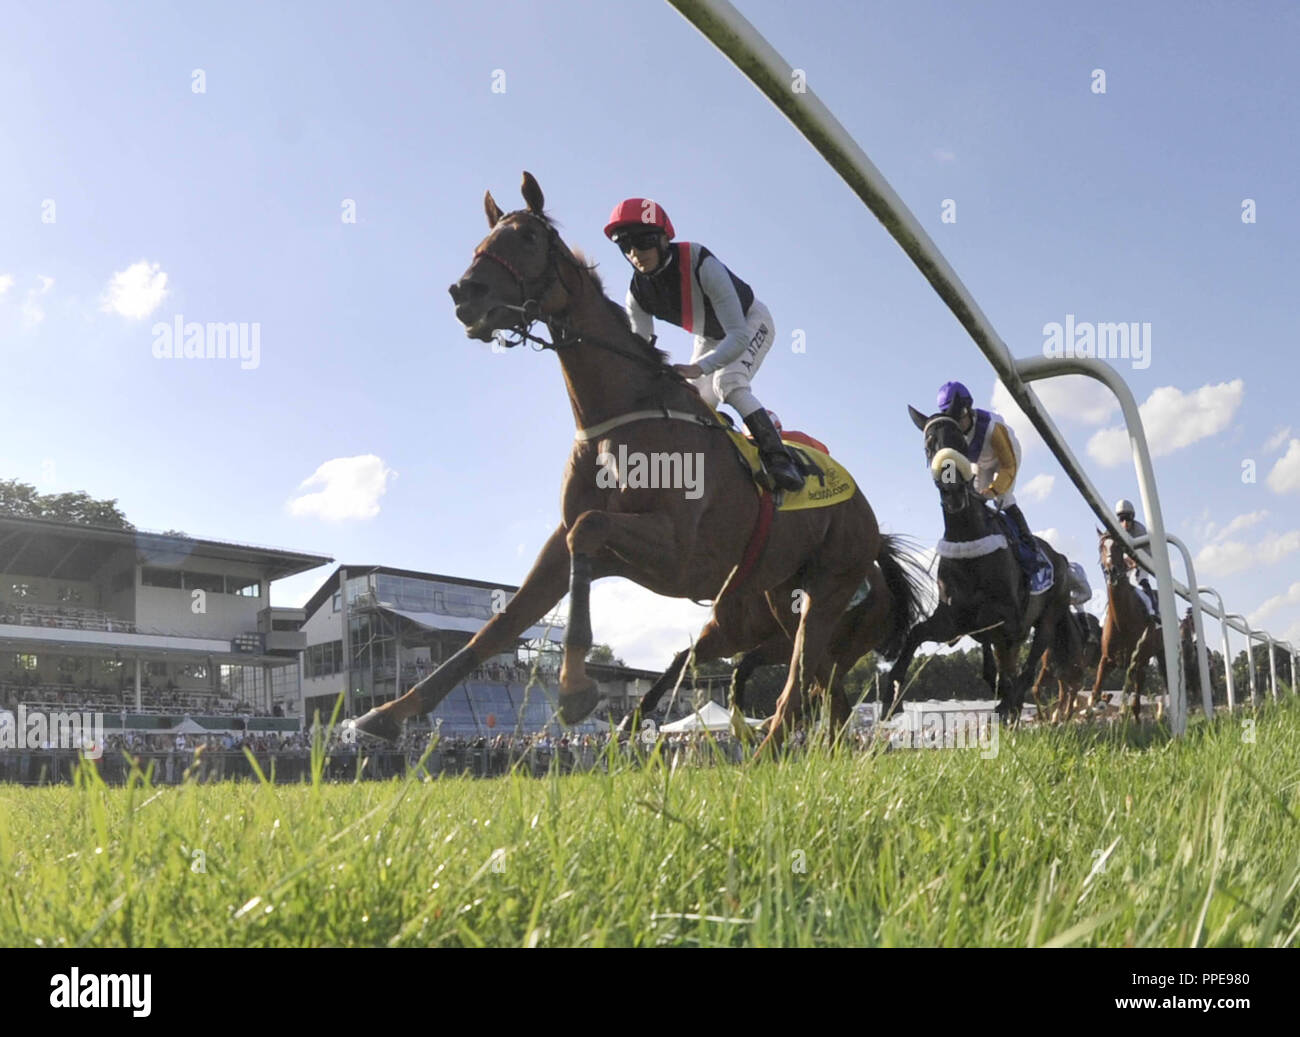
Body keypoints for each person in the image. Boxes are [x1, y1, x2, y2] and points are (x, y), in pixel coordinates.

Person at [604, 198, 804, 492]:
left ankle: (779, 458)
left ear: (663, 238)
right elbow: (640, 352)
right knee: (695, 405)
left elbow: (737, 335)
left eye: (643, 241)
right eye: (626, 246)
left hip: (750, 322)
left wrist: (699, 368)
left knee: (729, 382)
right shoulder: (636, 294)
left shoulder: (700, 262)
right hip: (710, 338)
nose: (635, 253)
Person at [935, 380, 1047, 591]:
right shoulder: (952, 431)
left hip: (1005, 459)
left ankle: (1032, 553)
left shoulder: (992, 428)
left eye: (959, 419)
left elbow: (1008, 465)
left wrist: (994, 489)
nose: (957, 427)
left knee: (1004, 500)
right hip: (980, 463)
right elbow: (951, 466)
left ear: (967, 410)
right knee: (973, 500)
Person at [1114, 499, 1158, 619]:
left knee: (1141, 580)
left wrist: (1136, 563)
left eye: (1127, 519)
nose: (1125, 523)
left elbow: (1149, 553)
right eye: (1121, 519)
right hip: (1124, 563)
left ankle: (1153, 611)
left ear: (1132, 517)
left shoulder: (1140, 530)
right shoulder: (1115, 529)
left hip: (1143, 561)